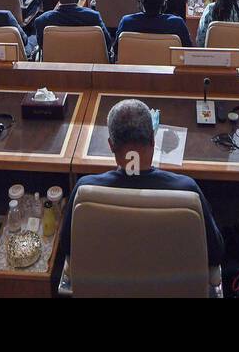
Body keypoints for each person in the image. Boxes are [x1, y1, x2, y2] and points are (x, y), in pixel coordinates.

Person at [63, 98, 224, 268]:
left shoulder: (84, 189)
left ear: (111, 145)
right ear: (153, 141)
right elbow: (216, 253)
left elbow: (67, 246)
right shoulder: (188, 190)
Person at [34, 0, 110, 56]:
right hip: (89, 65)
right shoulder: (93, 17)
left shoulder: (42, 21)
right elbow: (107, 44)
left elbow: (43, 47)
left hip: (57, 67)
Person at [112, 0, 193, 48]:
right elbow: (188, 51)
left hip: (134, 68)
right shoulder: (177, 24)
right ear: (164, 4)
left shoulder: (126, 23)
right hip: (169, 68)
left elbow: (116, 51)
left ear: (140, 3)